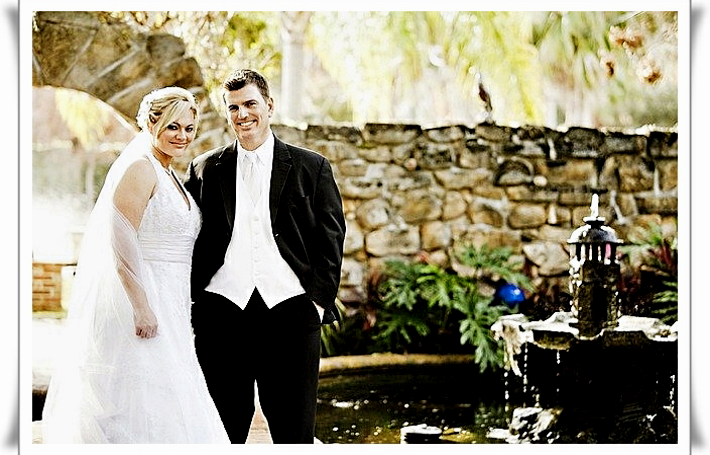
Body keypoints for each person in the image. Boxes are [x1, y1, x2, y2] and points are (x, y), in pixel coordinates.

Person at [41, 87, 230, 443]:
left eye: (189, 128)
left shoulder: (170, 174)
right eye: (173, 126)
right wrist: (141, 307)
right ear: (151, 124)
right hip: (145, 296)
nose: (182, 136)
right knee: (144, 391)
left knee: (175, 386)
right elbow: (121, 239)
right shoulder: (141, 169)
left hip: (173, 299)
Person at [184, 69, 346, 444]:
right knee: (220, 434)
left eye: (250, 104)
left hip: (292, 314)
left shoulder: (312, 167)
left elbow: (331, 238)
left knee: (294, 434)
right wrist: (194, 300)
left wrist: (317, 303)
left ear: (269, 106)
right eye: (233, 107)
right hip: (221, 315)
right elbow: (187, 238)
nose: (242, 114)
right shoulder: (205, 168)